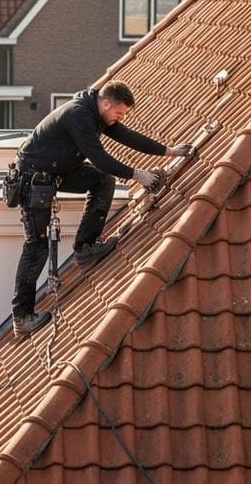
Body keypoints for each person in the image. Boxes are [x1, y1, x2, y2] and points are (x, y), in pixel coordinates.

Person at [11, 79, 190, 336]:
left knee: (102, 181)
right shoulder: (79, 115)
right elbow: (100, 158)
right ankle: (22, 316)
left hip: (56, 171)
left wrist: (168, 151)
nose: (119, 119)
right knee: (37, 246)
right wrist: (136, 174)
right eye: (118, 113)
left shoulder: (98, 113)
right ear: (106, 104)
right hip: (34, 178)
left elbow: (126, 136)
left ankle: (86, 247)